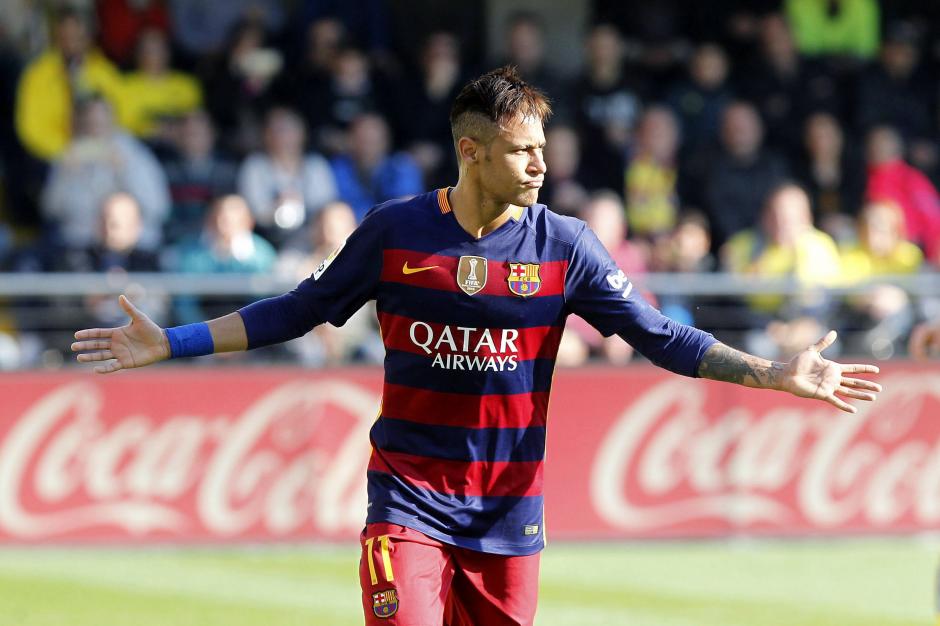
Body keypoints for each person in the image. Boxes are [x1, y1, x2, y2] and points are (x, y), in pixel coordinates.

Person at [72, 67, 882, 626]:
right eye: (524, 150)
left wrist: (775, 372)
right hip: (408, 503)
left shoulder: (565, 246)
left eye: (543, 148)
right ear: (472, 151)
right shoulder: (395, 231)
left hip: (508, 511)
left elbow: (662, 337)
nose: (541, 164)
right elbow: (298, 309)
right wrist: (172, 341)